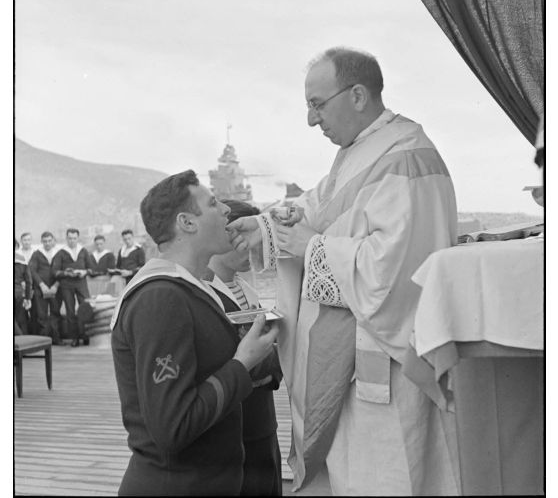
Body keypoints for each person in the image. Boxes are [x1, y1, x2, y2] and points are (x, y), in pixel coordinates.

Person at [229, 47, 459, 496]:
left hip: (383, 364)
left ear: (357, 95)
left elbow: (394, 271)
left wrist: (311, 248)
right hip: (348, 353)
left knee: (389, 476)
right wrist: (262, 227)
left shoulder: (407, 156)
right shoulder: (361, 150)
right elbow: (317, 206)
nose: (311, 120)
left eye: (317, 104)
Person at [110, 170, 279, 496]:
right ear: (187, 223)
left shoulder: (192, 288)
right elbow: (173, 426)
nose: (227, 211)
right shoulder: (161, 297)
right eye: (214, 203)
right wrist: (242, 364)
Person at [206, 199, 283, 496]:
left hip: (262, 421)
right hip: (234, 428)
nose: (255, 247)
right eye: (248, 238)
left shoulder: (247, 289)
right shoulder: (206, 295)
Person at [52, 228, 93, 347]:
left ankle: (86, 336)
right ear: (66, 238)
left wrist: (85, 272)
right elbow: (55, 271)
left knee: (85, 308)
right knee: (70, 311)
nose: (72, 240)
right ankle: (74, 338)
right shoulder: (61, 252)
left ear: (77, 238)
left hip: (81, 283)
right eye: (70, 238)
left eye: (74, 238)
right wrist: (66, 273)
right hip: (67, 285)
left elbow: (90, 268)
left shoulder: (83, 251)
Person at [28, 231, 64, 344]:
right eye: (45, 241)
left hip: (55, 288)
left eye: (49, 241)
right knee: (41, 315)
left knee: (55, 312)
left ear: (53, 240)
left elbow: (63, 270)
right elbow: (32, 271)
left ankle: (56, 338)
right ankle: (43, 341)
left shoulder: (59, 254)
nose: (47, 243)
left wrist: (56, 285)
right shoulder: (37, 254)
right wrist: (41, 285)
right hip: (41, 288)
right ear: (41, 242)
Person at [14, 240, 32, 334]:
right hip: (18, 293)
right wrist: (28, 298)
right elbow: (29, 281)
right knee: (19, 318)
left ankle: (20, 338)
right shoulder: (22, 259)